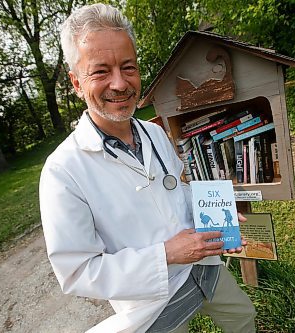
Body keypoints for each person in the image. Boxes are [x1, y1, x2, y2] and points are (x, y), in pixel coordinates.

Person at [39, 3, 256, 332]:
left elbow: (172, 192)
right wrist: (166, 254)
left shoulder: (154, 133)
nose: (120, 83)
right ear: (76, 82)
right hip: (154, 298)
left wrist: (215, 213)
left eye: (128, 67)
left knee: (243, 317)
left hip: (204, 266)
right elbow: (78, 272)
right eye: (100, 71)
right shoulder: (62, 171)